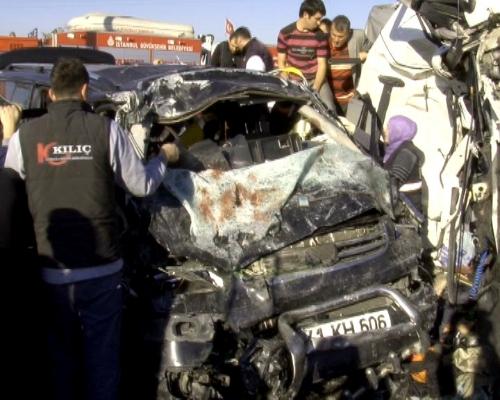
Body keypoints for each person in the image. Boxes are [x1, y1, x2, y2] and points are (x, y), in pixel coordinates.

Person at [3, 57, 179, 400]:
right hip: (102, 270)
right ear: (85, 90)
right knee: (102, 362)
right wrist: (164, 158)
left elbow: (9, 189)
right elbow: (141, 186)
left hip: (54, 272)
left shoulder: (25, 137)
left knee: (61, 360)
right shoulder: (106, 130)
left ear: (51, 94)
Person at [277, 0, 335, 110]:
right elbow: (281, 62)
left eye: (321, 19)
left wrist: (315, 89)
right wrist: (286, 82)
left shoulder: (320, 36)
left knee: (329, 109)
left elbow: (322, 65)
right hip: (293, 81)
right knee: (280, 111)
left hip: (316, 80)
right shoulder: (285, 33)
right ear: (305, 15)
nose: (319, 23)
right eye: (317, 19)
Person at [328, 15, 368, 115]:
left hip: (351, 100)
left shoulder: (358, 36)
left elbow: (376, 47)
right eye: (333, 35)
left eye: (341, 37)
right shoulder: (323, 42)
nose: (336, 40)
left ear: (349, 33)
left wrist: (367, 53)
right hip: (329, 101)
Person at [383, 115, 424, 210]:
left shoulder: (406, 154)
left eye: (389, 128)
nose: (385, 130)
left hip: (405, 213)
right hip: (399, 205)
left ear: (398, 132)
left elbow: (391, 185)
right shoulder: (397, 148)